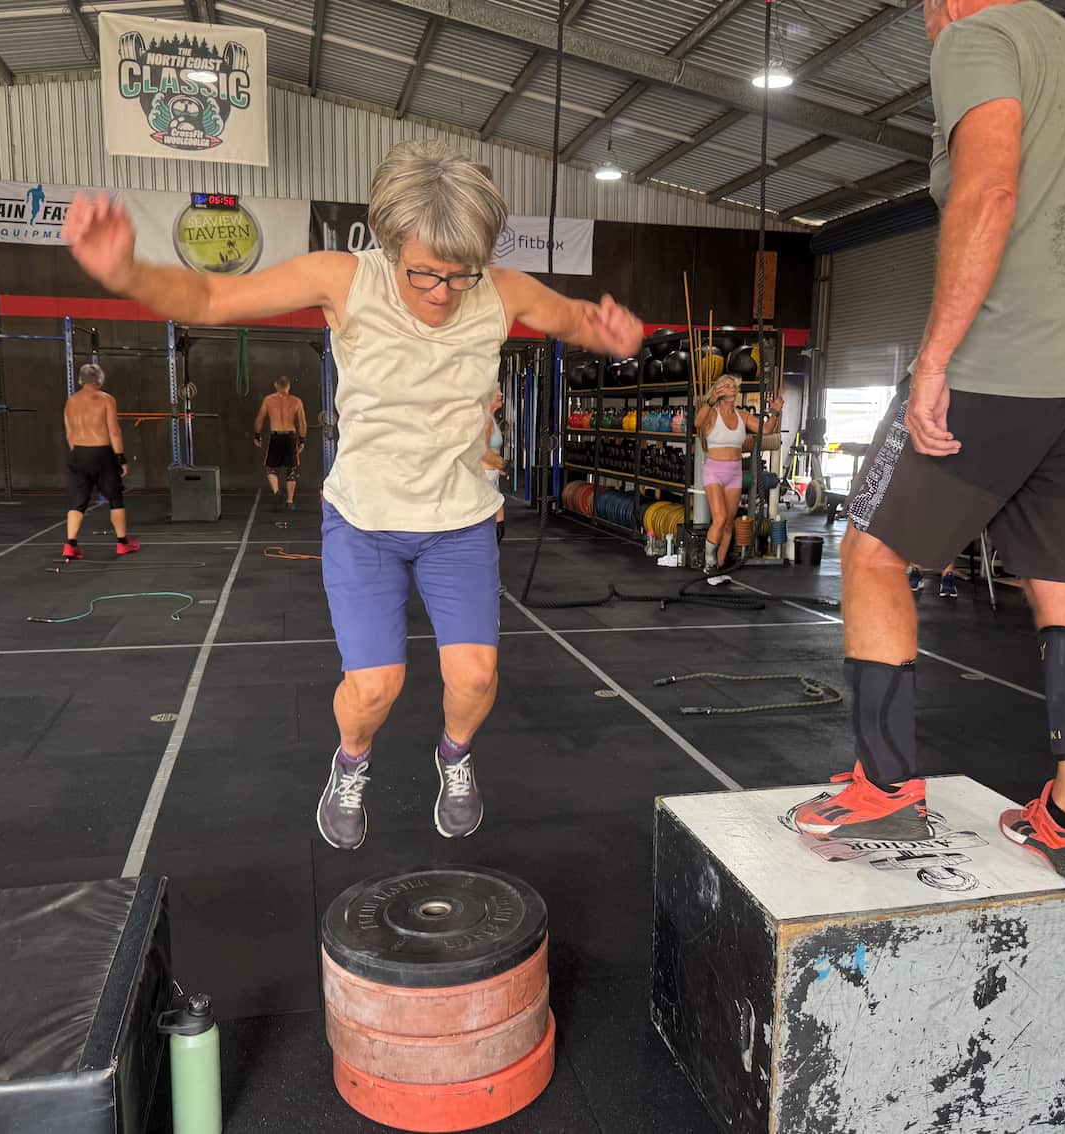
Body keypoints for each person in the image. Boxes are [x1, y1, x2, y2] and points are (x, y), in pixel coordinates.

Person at [63, 141, 643, 849]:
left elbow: (574, 318)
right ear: (394, 242)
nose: (442, 293)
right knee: (375, 685)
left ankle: (454, 757)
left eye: (459, 276)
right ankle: (351, 763)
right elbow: (213, 296)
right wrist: (126, 272)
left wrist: (612, 332)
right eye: (424, 272)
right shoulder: (343, 279)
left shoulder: (501, 291)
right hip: (364, 520)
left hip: (458, 523)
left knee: (476, 678)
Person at [790, 0, 1065, 883]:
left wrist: (934, 359)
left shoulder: (978, 38)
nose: (928, 23)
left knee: (873, 553)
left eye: (926, 8)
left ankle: (885, 789)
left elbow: (991, 187)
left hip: (995, 370)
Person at [693, 374, 783, 582]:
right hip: (714, 470)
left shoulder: (742, 416)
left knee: (728, 524)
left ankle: (721, 565)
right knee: (720, 517)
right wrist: (711, 400)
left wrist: (776, 411)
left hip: (735, 472)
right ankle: (709, 564)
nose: (732, 388)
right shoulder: (712, 414)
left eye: (734, 386)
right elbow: (698, 422)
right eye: (726, 385)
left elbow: (766, 429)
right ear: (719, 391)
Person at [61, 362, 141, 560]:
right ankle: (123, 543)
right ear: (100, 379)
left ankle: (70, 545)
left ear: (81, 379)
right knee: (115, 498)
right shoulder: (106, 399)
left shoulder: (71, 401)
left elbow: (69, 433)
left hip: (78, 453)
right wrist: (121, 458)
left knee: (77, 502)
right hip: (102, 453)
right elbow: (114, 431)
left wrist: (78, 453)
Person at [253, 376, 308, 510]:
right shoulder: (296, 401)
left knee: (271, 468)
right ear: (288, 386)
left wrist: (257, 435)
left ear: (276, 386)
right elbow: (302, 423)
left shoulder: (269, 400)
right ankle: (290, 502)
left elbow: (259, 419)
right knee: (291, 471)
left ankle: (277, 492)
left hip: (276, 436)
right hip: (290, 437)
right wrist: (302, 440)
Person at [482, 389, 506, 543]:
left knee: (497, 528)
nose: (501, 393)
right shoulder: (484, 419)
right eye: (495, 391)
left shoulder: (490, 417)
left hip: (491, 477)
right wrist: (502, 463)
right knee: (495, 529)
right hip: (484, 478)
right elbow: (480, 450)